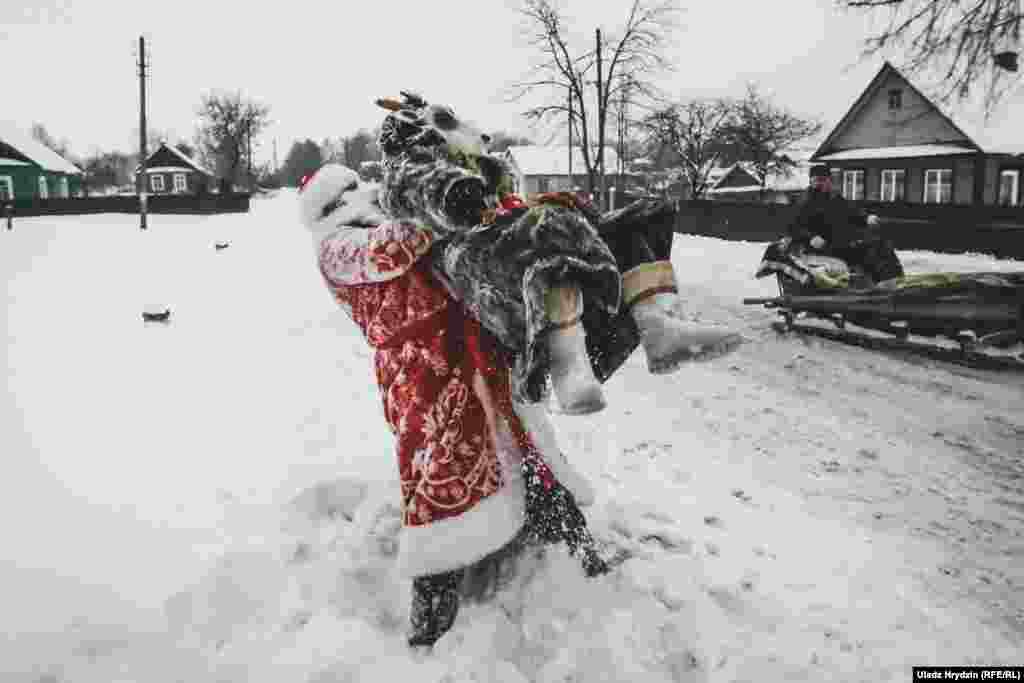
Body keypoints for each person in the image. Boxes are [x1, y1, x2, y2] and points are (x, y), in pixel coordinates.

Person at [300, 165, 611, 649]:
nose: (360, 194)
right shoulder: (334, 248)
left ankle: (574, 547)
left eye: (356, 187)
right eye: (348, 192)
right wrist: (441, 210)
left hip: (468, 352)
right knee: (440, 478)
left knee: (522, 449)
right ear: (329, 207)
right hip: (420, 376)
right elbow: (389, 251)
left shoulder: (387, 216)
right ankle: (432, 616)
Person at [374, 91, 742, 416]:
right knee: (548, 225)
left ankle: (660, 325)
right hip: (480, 270)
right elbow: (438, 194)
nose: (477, 133)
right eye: (449, 122)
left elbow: (504, 211)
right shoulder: (412, 172)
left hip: (511, 244)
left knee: (640, 219)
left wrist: (551, 207)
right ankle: (568, 362)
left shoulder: (486, 172)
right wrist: (472, 195)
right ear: (423, 135)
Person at [789, 165, 903, 284]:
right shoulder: (805, 201)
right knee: (869, 252)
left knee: (879, 244)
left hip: (840, 244)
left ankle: (893, 280)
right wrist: (810, 237)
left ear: (829, 181)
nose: (819, 184)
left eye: (823, 180)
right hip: (820, 249)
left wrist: (866, 218)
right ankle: (880, 284)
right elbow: (794, 228)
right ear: (811, 181)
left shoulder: (835, 198)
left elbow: (852, 212)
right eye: (816, 181)